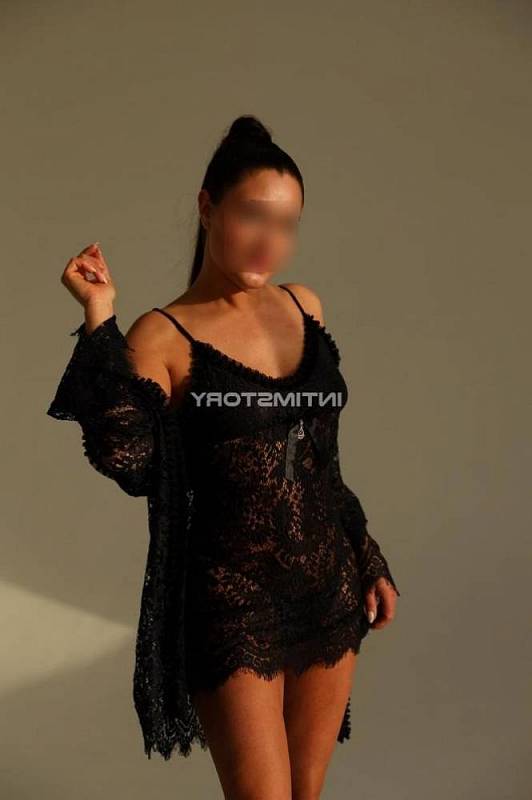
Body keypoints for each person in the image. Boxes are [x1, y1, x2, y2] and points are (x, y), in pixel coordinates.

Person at [47, 114, 400, 799]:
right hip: (233, 599)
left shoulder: (304, 305)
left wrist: (367, 553)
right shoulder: (163, 334)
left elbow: (322, 464)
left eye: (288, 225)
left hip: (327, 585)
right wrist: (100, 318)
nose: (271, 242)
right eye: (253, 216)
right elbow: (127, 458)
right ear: (208, 207)